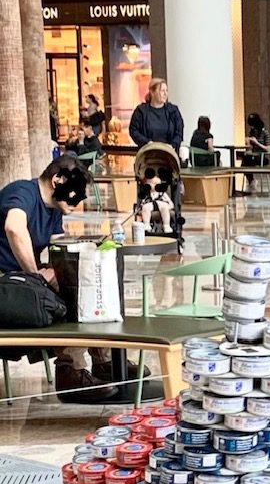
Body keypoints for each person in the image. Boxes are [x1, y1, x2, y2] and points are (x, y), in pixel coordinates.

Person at [0, 155, 117, 402]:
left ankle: (104, 362)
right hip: (6, 284)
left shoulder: (53, 210)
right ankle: (70, 372)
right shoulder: (22, 192)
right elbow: (14, 228)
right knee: (63, 300)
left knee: (81, 289)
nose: (79, 199)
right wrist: (36, 276)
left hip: (19, 280)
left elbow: (56, 249)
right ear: (58, 180)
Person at [129, 78, 183, 151]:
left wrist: (172, 145)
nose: (165, 94)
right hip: (147, 154)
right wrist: (147, 143)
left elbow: (179, 132)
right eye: (162, 91)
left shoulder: (173, 111)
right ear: (152, 92)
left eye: (166, 90)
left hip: (169, 154)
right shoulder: (141, 111)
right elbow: (133, 130)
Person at [242, 112, 270, 193]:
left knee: (247, 161)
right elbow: (251, 148)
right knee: (245, 159)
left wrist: (257, 143)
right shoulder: (252, 132)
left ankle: (251, 181)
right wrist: (248, 142)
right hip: (254, 155)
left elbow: (268, 148)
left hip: (263, 157)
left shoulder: (265, 132)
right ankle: (251, 181)